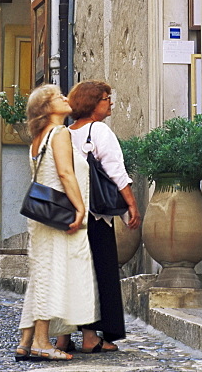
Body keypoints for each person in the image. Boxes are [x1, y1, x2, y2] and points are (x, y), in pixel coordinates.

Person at [55, 80, 141, 353]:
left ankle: (63, 336)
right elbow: (116, 172)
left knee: (71, 275)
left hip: (67, 215)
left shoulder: (64, 133)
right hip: (94, 216)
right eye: (106, 98)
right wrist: (132, 206)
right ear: (93, 103)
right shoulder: (99, 131)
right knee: (97, 273)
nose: (110, 102)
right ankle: (91, 337)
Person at [15, 85, 98, 361]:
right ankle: (41, 342)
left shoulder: (38, 138)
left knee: (41, 275)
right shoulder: (59, 133)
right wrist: (80, 208)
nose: (66, 98)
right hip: (60, 213)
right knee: (52, 276)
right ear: (47, 108)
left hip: (42, 217)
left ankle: (26, 341)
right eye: (58, 96)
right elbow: (65, 173)